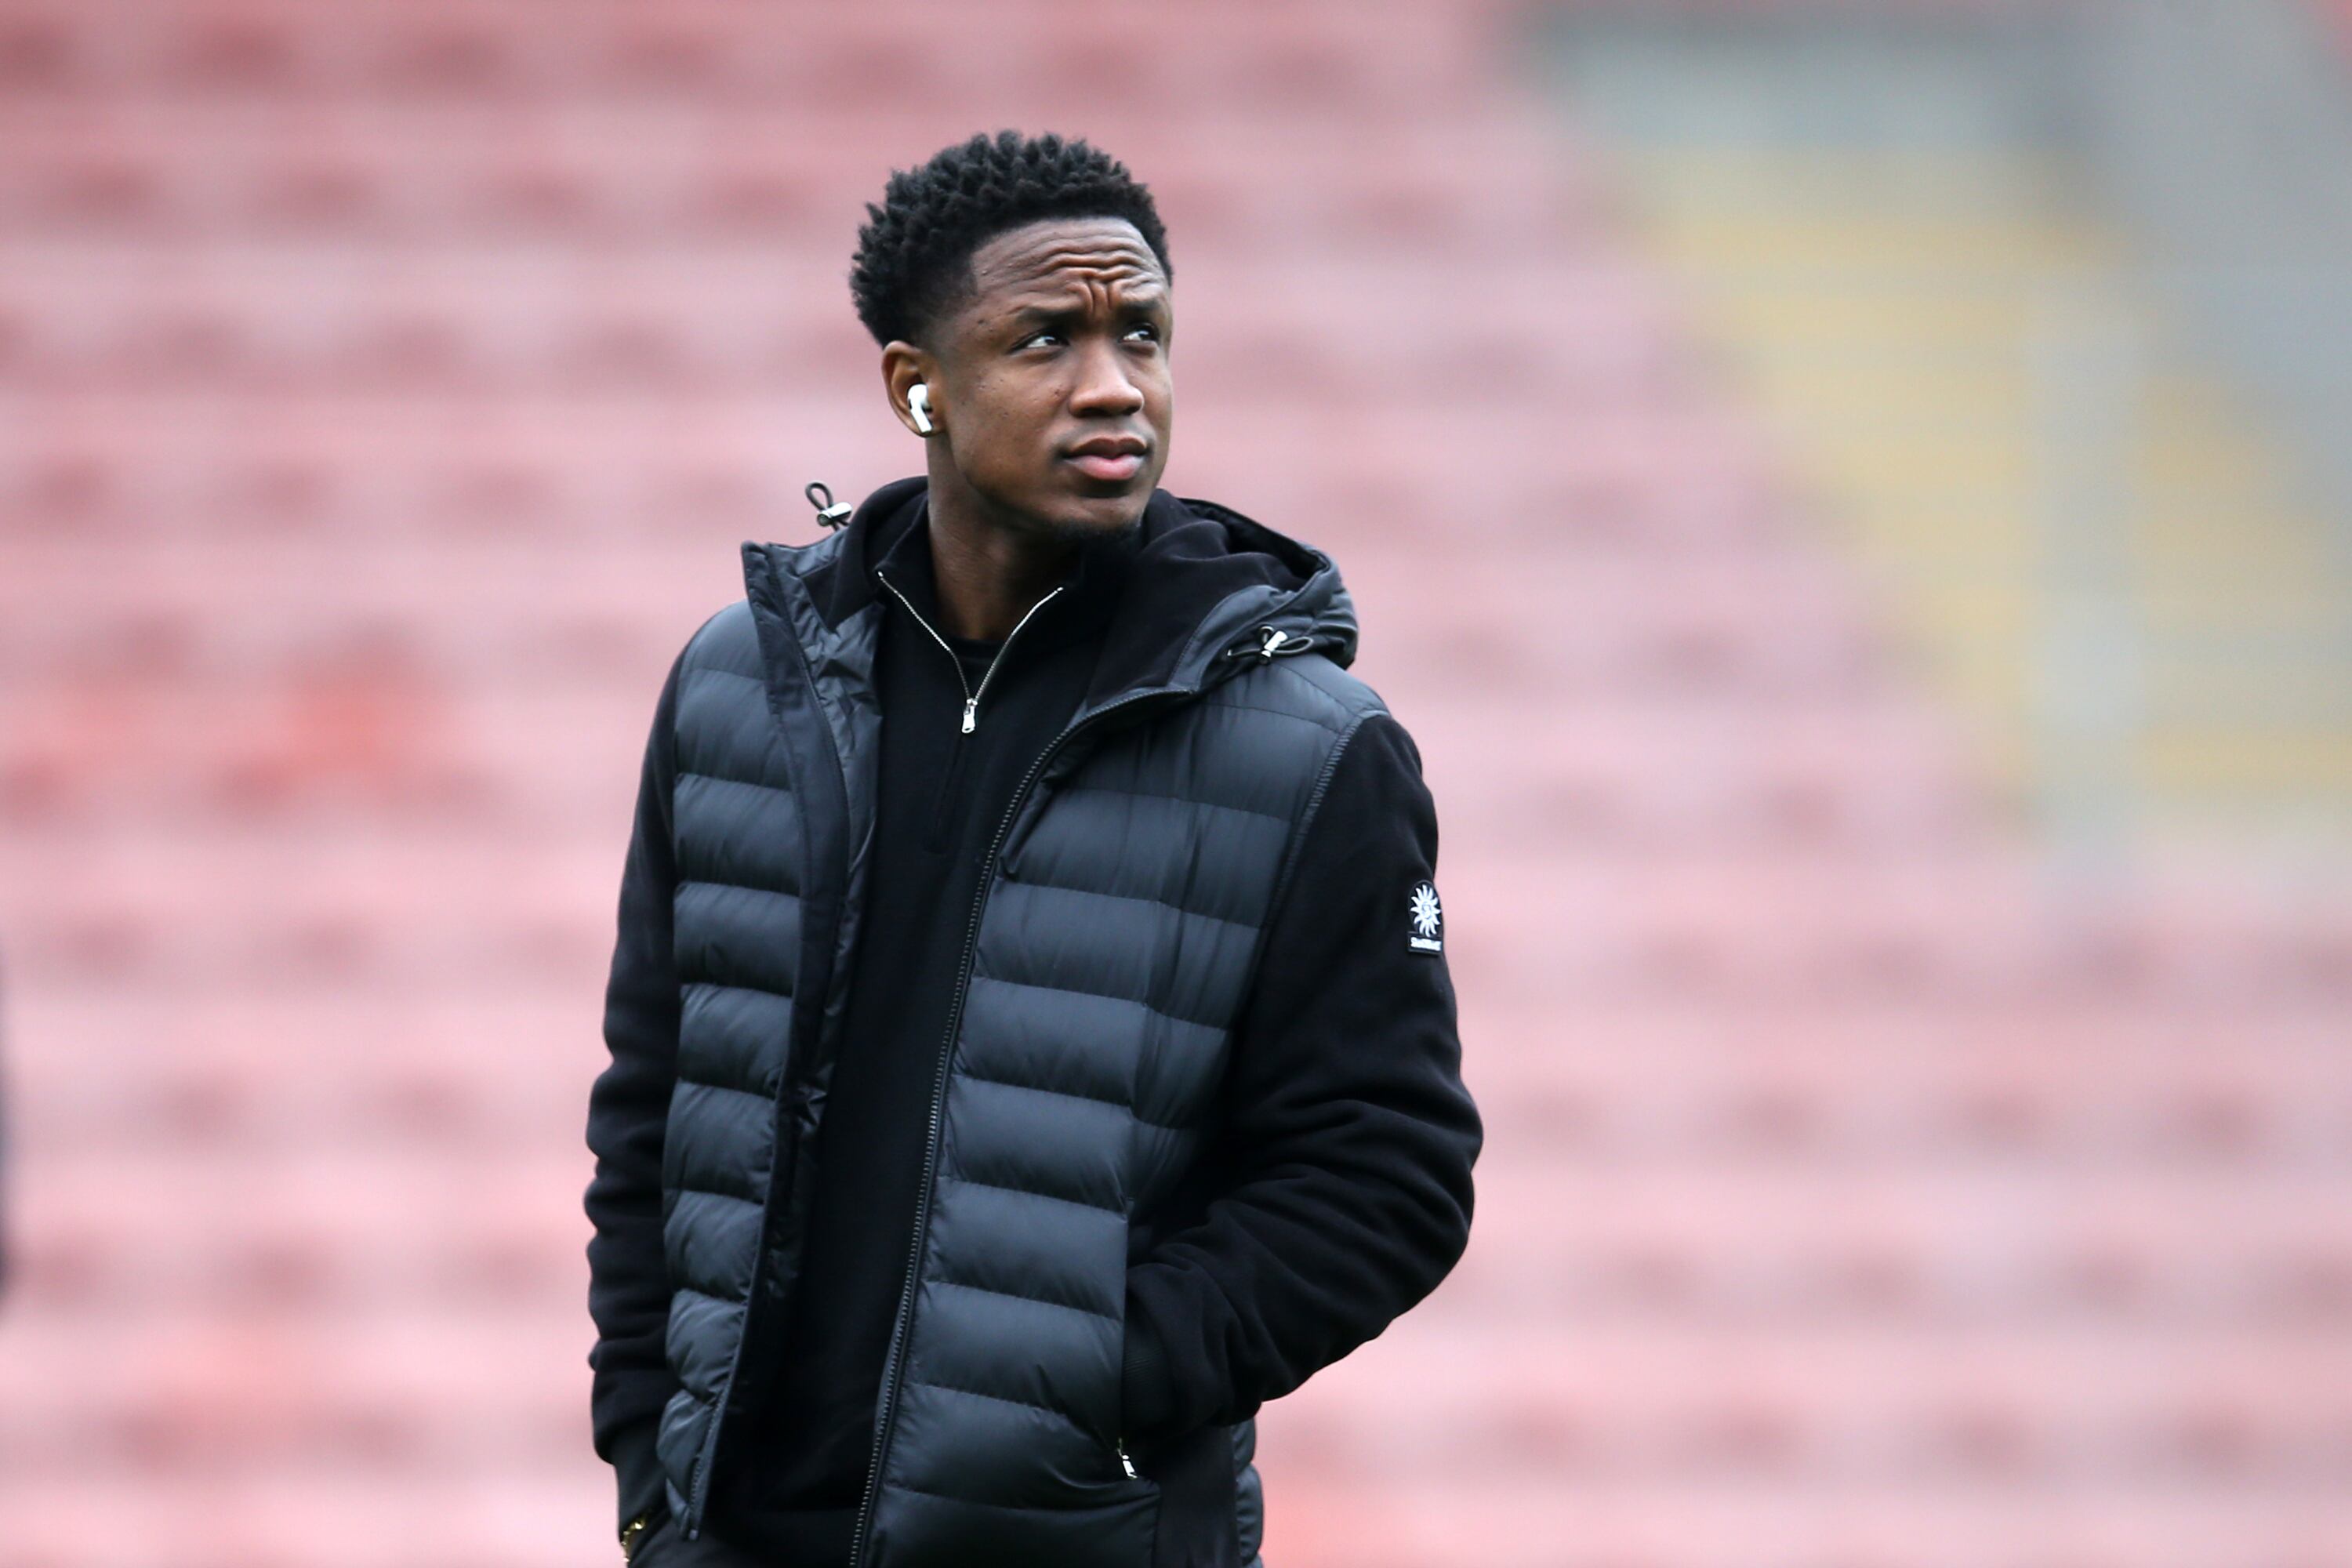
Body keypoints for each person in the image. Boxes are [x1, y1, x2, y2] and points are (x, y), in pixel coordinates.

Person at [584, 130, 1481, 1568]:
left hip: (1076, 1533)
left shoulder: (1311, 748)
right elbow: (658, 1104)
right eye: (1047, 338)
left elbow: (1388, 1179)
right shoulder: (740, 685)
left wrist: (1087, 1395)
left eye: (1145, 334)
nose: (1114, 383)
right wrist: (646, 1456)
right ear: (914, 385)